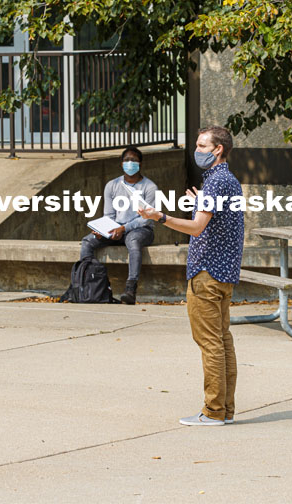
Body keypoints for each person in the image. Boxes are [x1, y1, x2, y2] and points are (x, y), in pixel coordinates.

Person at [139, 126, 244, 426]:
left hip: (206, 273)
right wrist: (200, 201)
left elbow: (197, 227)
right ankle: (225, 410)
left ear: (218, 149)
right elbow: (217, 220)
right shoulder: (228, 180)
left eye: (201, 145)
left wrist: (160, 217)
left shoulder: (215, 183)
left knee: (211, 343)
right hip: (223, 273)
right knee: (222, 341)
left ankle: (213, 412)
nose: (196, 150)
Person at [79, 147, 157, 305]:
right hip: (115, 228)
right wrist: (104, 229)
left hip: (140, 230)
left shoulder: (149, 187)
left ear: (140, 164)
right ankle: (86, 285)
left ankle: (130, 288)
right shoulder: (112, 185)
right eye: (127, 160)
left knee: (133, 242)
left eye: (134, 160)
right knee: (88, 241)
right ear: (121, 164)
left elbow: (147, 219)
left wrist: (124, 228)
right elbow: (109, 215)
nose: (130, 163)